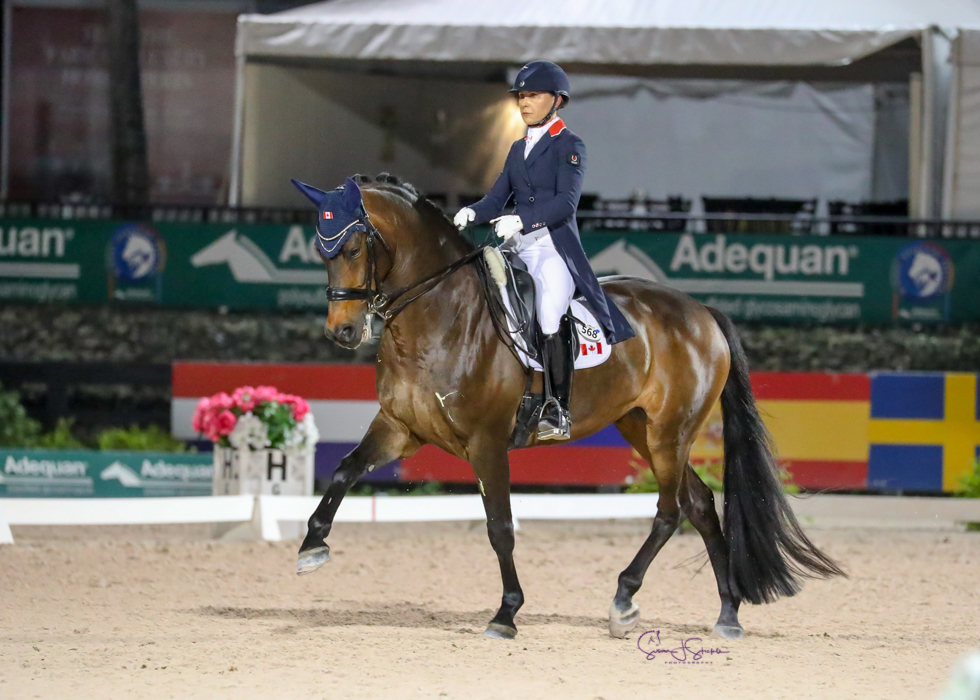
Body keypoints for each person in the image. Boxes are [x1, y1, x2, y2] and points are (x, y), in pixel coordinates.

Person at [454, 60, 635, 441]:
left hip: (554, 248)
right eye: (521, 95)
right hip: (519, 247)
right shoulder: (518, 148)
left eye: (532, 95)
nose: (524, 102)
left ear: (556, 100)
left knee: (550, 311)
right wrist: (473, 211)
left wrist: (521, 220)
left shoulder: (570, 146)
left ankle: (558, 406)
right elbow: (497, 197)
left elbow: (566, 204)